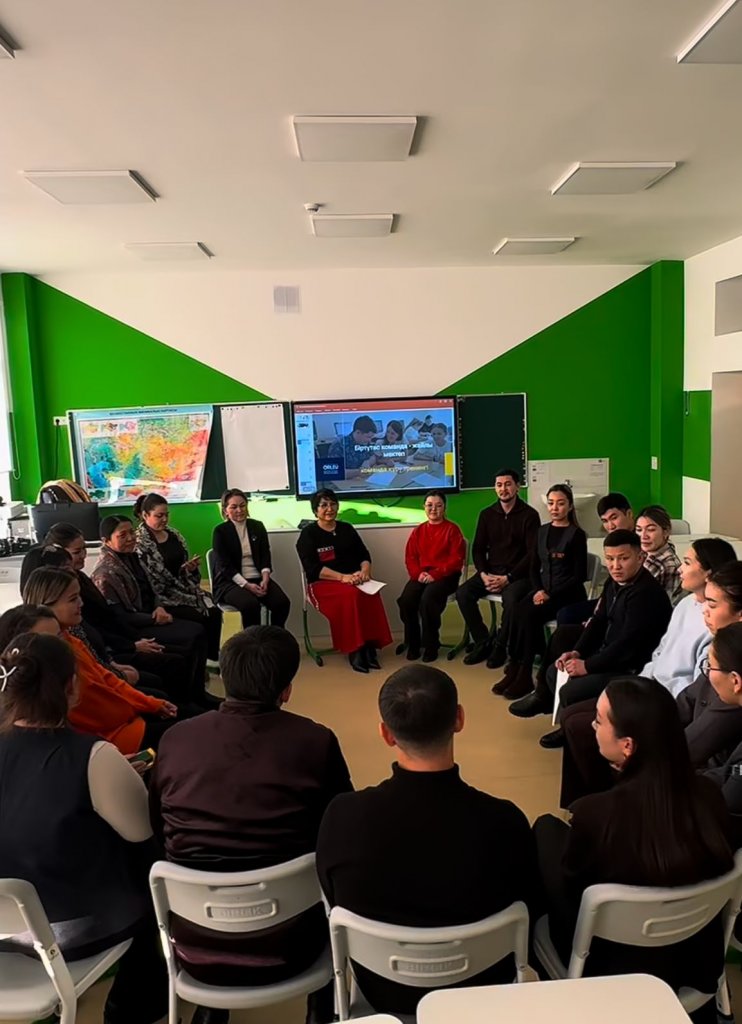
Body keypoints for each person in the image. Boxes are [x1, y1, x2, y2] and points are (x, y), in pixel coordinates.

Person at [150, 626, 350, 1024]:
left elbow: (158, 826)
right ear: (286, 690)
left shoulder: (175, 739)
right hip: (295, 943)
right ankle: (321, 1008)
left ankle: (211, 1007)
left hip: (194, 945)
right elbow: (338, 829)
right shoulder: (315, 741)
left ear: (225, 678)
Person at [316, 664, 539, 1018]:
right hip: (483, 985)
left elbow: (332, 896)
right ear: (459, 719)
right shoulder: (506, 822)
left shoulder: (342, 818)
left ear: (386, 733)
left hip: (383, 990)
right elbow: (528, 900)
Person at [0, 631, 167, 1024]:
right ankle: (133, 1008)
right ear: (72, 687)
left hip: (3, 929)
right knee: (153, 866)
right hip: (67, 931)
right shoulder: (91, 755)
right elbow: (143, 835)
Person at [533, 676, 733, 1004]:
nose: (593, 726)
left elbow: (573, 891)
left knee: (544, 832)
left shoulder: (595, 816)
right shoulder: (710, 797)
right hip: (691, 963)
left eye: (599, 720)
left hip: (610, 971)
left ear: (627, 745)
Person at [559, 556, 742, 808]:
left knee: (605, 735)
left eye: (712, 604)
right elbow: (686, 699)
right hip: (673, 725)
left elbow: (698, 747)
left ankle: (607, 808)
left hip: (697, 773)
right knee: (592, 725)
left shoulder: (732, 668)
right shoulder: (713, 639)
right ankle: (590, 806)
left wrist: (639, 752)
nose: (704, 611)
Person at [510, 530, 672, 747]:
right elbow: (598, 620)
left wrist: (587, 666)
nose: (615, 566)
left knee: (571, 689)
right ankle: (560, 714)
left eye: (623, 558)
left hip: (632, 667)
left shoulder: (646, 594)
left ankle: (573, 731)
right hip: (611, 653)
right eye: (610, 559)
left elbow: (627, 646)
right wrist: (577, 652)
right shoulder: (614, 583)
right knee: (553, 670)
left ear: (641, 557)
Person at [21, 521, 190, 703]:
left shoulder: (81, 584)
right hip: (111, 658)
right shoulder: (59, 627)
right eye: (77, 552)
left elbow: (106, 626)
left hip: (112, 653)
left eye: (84, 549)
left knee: (182, 650)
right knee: (167, 671)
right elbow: (91, 668)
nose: (83, 556)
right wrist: (128, 652)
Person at [22, 568, 178, 753]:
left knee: (177, 711)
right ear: (46, 606)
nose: (81, 603)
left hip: (122, 721)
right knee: (184, 729)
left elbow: (107, 678)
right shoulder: (52, 662)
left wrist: (150, 704)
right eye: (73, 599)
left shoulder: (71, 639)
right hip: (109, 738)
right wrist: (141, 706)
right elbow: (98, 710)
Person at [92, 515, 215, 706]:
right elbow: (119, 617)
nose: (130, 538)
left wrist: (158, 606)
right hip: (135, 626)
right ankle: (187, 700)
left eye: (131, 532)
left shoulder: (134, 557)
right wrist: (153, 618)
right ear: (106, 541)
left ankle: (198, 694)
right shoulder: (105, 573)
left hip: (153, 614)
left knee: (199, 629)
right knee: (192, 635)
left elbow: (153, 589)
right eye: (122, 535)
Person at [494, 484, 587, 700]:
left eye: (560, 503)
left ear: (570, 506)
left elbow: (579, 576)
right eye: (551, 503)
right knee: (516, 610)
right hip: (542, 590)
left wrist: (549, 594)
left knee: (528, 615)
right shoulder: (542, 531)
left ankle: (526, 673)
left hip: (567, 594)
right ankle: (514, 667)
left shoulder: (576, 535)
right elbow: (533, 568)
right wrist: (537, 590)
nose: (555, 508)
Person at [296, 490, 392, 673]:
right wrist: (342, 578)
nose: (329, 509)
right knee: (352, 595)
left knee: (371, 593)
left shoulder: (347, 529)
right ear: (315, 510)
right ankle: (355, 649)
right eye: (324, 505)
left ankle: (369, 646)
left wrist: (365, 571)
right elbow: (313, 569)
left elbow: (364, 555)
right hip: (322, 585)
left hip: (354, 579)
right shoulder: (308, 534)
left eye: (333, 504)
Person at [456, 468, 540, 667]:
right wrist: (483, 574)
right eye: (499, 485)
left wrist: (508, 578)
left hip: (519, 575)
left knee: (511, 600)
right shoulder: (487, 514)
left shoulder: (530, 515)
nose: (503, 489)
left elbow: (532, 554)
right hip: (491, 572)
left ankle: (501, 646)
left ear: (517, 487)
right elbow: (478, 549)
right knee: (463, 593)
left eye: (508, 484)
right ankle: (483, 641)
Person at [134, 492, 223, 661]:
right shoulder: (140, 544)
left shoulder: (174, 534)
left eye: (166, 515)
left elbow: (181, 568)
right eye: (159, 516)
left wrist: (189, 569)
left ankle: (211, 659)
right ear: (145, 515)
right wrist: (179, 576)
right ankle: (200, 660)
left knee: (214, 611)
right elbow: (152, 580)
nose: (164, 519)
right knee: (200, 617)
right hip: (162, 597)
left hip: (183, 588)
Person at [396, 491, 466, 662]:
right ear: (424, 507)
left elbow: (456, 560)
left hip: (446, 576)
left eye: (438, 505)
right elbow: (410, 558)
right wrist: (418, 574)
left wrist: (435, 574)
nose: (433, 509)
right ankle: (413, 642)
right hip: (421, 575)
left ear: (444, 508)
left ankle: (431, 644)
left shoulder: (452, 530)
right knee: (406, 600)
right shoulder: (418, 531)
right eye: (429, 505)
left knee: (428, 600)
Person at [210, 488, 290, 629]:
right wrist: (247, 585)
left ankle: (275, 636)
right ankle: (253, 639)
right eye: (234, 507)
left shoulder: (257, 526)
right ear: (225, 511)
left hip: (258, 577)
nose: (239, 510)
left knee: (282, 603)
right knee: (250, 605)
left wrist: (265, 578)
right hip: (230, 582)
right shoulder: (220, 531)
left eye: (243, 505)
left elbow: (265, 555)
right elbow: (224, 566)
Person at [555, 491, 634, 626]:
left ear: (629, 514)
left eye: (614, 518)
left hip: (627, 603)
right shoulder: (614, 540)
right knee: (565, 614)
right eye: (605, 521)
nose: (611, 526)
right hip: (611, 599)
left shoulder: (639, 542)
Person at [635, 504, 682, 605]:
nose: (643, 536)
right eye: (639, 530)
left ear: (666, 531)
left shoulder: (663, 564)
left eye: (650, 530)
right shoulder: (646, 553)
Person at [327, 414, 380, 480]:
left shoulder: (366, 442)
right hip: (344, 482)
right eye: (368, 437)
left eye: (371, 437)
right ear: (358, 432)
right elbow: (334, 472)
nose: (370, 440)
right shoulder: (339, 445)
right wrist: (358, 472)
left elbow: (373, 456)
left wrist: (367, 462)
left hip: (363, 479)